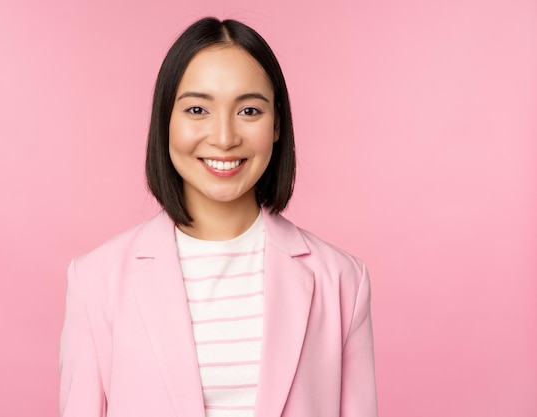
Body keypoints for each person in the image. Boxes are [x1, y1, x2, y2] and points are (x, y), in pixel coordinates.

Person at [59, 17, 378, 417]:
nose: (224, 137)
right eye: (197, 109)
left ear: (277, 124)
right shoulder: (95, 280)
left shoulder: (342, 280)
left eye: (248, 110)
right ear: (166, 122)